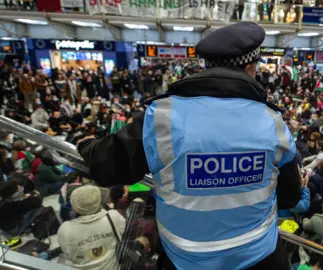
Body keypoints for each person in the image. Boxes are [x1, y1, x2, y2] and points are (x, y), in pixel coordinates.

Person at [77, 22, 302, 270]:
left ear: (206, 65)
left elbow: (105, 166)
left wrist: (88, 146)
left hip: (184, 261)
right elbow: (290, 197)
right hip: (260, 259)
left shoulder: (160, 116)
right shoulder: (273, 122)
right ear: (250, 68)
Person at [57, 185, 126, 270]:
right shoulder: (113, 217)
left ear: (74, 206)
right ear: (98, 201)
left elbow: (67, 253)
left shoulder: (65, 229)